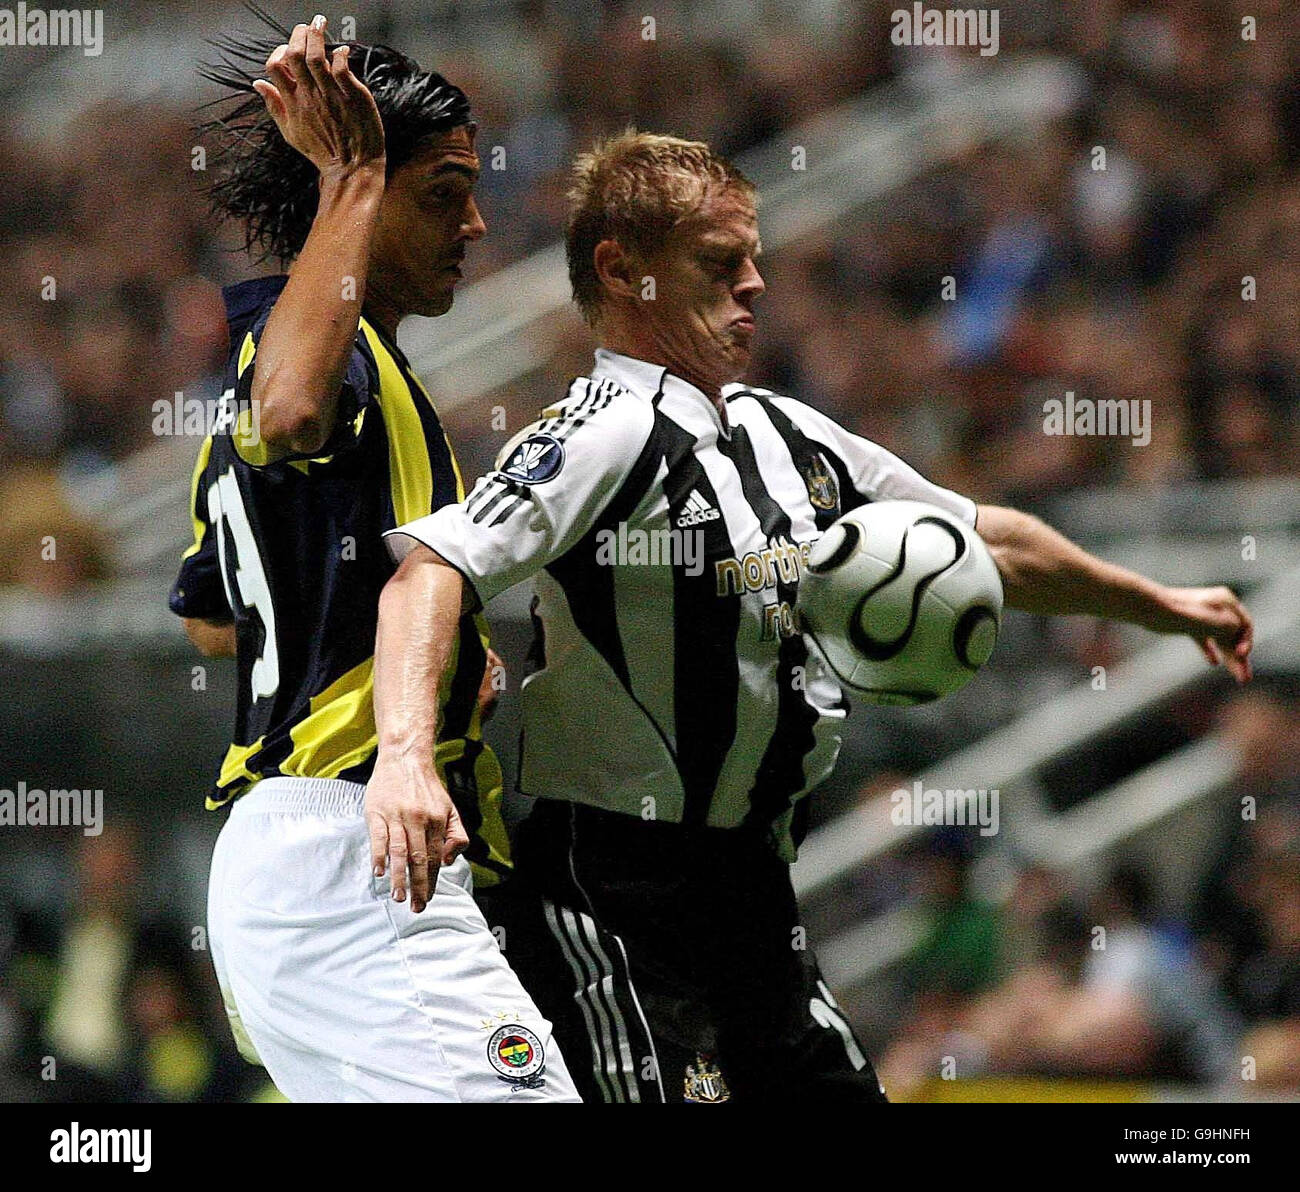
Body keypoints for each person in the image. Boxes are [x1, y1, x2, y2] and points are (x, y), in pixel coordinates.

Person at [369, 130, 1254, 1103]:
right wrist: (405, 757)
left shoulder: (782, 432)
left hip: (751, 879)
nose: (753, 284)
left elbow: (982, 540)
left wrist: (1157, 604)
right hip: (618, 889)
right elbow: (430, 569)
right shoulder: (600, 434)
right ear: (625, 272)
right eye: (718, 262)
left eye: (754, 258)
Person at [169, 15, 577, 1103]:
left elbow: (214, 616)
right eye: (442, 193)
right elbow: (294, 410)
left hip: (302, 852)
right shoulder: (319, 363)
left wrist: (432, 668)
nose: (478, 222)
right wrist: (346, 171)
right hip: (352, 846)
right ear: (359, 193)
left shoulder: (299, 386)